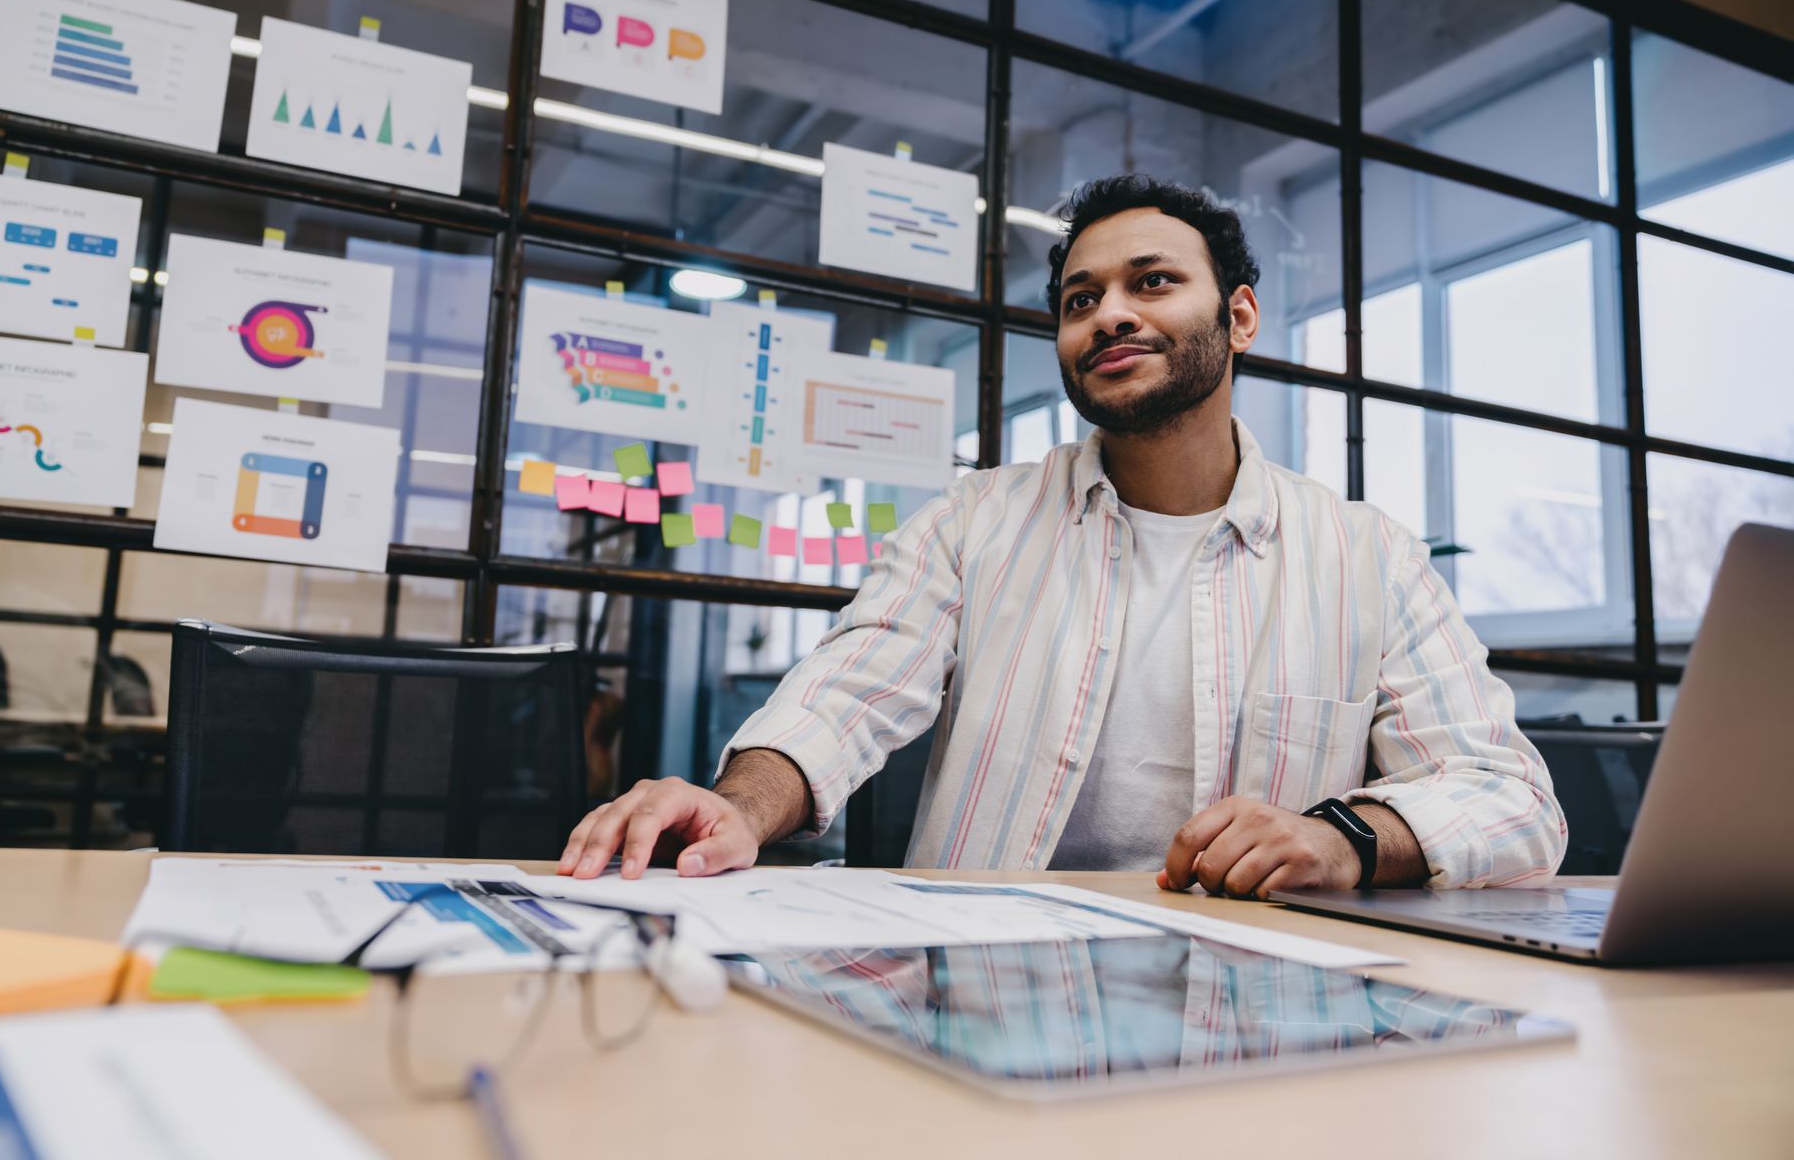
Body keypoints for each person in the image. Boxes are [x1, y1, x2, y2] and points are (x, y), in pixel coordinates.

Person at [557, 175, 1565, 896]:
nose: (1110, 316)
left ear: (1242, 316)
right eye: (1082, 300)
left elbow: (1513, 799)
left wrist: (1346, 837)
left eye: (1153, 282)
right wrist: (739, 805)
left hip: (1267, 996)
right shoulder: (976, 521)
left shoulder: (1366, 557)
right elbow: (846, 697)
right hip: (983, 986)